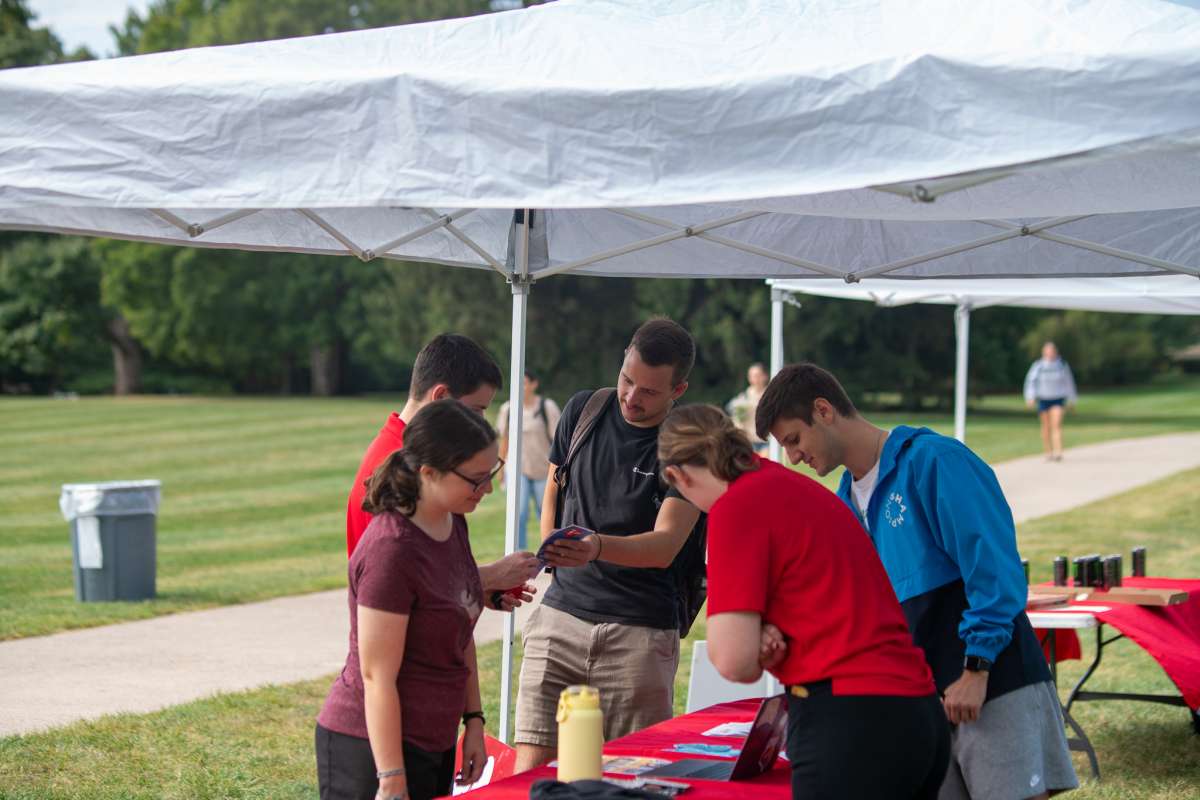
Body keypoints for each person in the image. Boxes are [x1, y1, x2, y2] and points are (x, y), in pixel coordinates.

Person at [756, 364, 1078, 800]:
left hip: (992, 684)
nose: (793, 457)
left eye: (794, 439)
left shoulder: (934, 460)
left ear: (823, 410)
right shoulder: (844, 504)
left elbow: (994, 570)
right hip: (923, 706)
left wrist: (977, 667)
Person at [658, 404, 949, 800]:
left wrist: (754, 635)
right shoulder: (790, 485)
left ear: (675, 476)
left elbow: (733, 660)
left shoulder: (736, 507)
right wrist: (763, 631)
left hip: (851, 719)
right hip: (917, 711)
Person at [514, 318, 704, 772]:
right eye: (627, 380)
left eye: (650, 392)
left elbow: (665, 545)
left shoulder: (690, 446)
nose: (631, 398)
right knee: (531, 770)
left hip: (638, 634)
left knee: (630, 774)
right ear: (622, 359)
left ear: (678, 390)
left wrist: (596, 547)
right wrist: (549, 546)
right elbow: (556, 485)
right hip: (558, 620)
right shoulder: (585, 409)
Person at [316, 399, 505, 800]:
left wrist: (473, 721)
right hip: (372, 748)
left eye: (492, 472)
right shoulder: (392, 550)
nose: (487, 487)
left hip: (432, 740)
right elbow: (376, 676)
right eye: (476, 478)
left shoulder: (453, 522)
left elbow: (459, 631)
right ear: (429, 472)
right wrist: (391, 777)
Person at [345, 333, 539, 611]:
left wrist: (478, 590)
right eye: (476, 409)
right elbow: (400, 578)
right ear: (441, 396)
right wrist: (492, 575)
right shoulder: (399, 466)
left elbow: (431, 563)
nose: (480, 421)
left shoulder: (406, 450)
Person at [496, 370, 562, 550]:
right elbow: (505, 441)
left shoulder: (547, 407)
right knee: (519, 514)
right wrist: (501, 469)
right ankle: (519, 554)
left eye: (524, 383)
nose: (520, 387)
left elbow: (559, 440)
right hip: (518, 471)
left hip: (544, 469)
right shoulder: (507, 409)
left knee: (547, 514)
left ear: (534, 384)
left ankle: (551, 552)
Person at [1023, 342, 1078, 461]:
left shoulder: (1062, 365)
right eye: (1047, 351)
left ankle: (1058, 451)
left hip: (1057, 399)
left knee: (1056, 424)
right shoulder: (1038, 366)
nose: (1050, 353)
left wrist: (1072, 399)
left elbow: (1069, 382)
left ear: (1055, 352)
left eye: (1052, 351)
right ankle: (1048, 452)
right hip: (1043, 399)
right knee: (1046, 426)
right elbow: (1031, 382)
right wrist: (1030, 397)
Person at [726, 362, 770, 453]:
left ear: (765, 376)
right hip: (749, 442)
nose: (756, 379)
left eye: (758, 375)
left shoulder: (771, 397)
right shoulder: (743, 398)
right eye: (752, 376)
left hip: (767, 442)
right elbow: (731, 411)